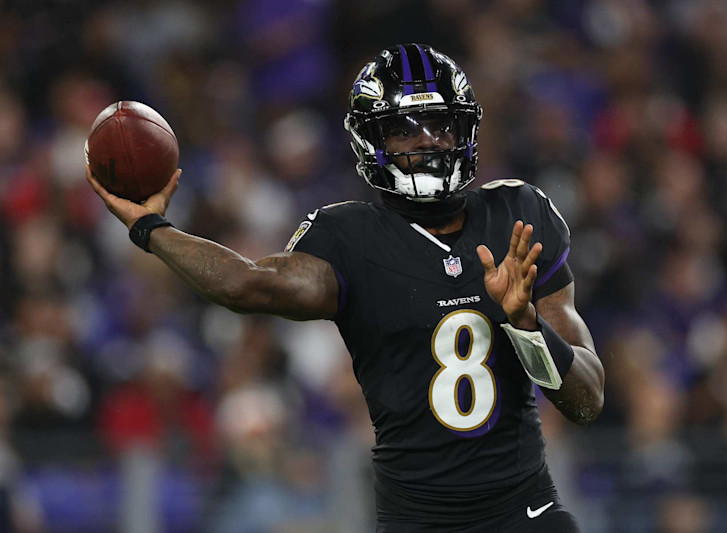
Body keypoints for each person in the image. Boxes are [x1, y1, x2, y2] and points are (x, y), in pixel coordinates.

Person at [86, 43, 605, 532]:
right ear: (371, 141)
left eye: (442, 124)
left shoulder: (519, 216)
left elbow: (587, 400)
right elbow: (246, 285)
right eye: (405, 129)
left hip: (526, 513)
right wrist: (152, 228)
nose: (429, 140)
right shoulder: (350, 237)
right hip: (418, 521)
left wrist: (527, 326)